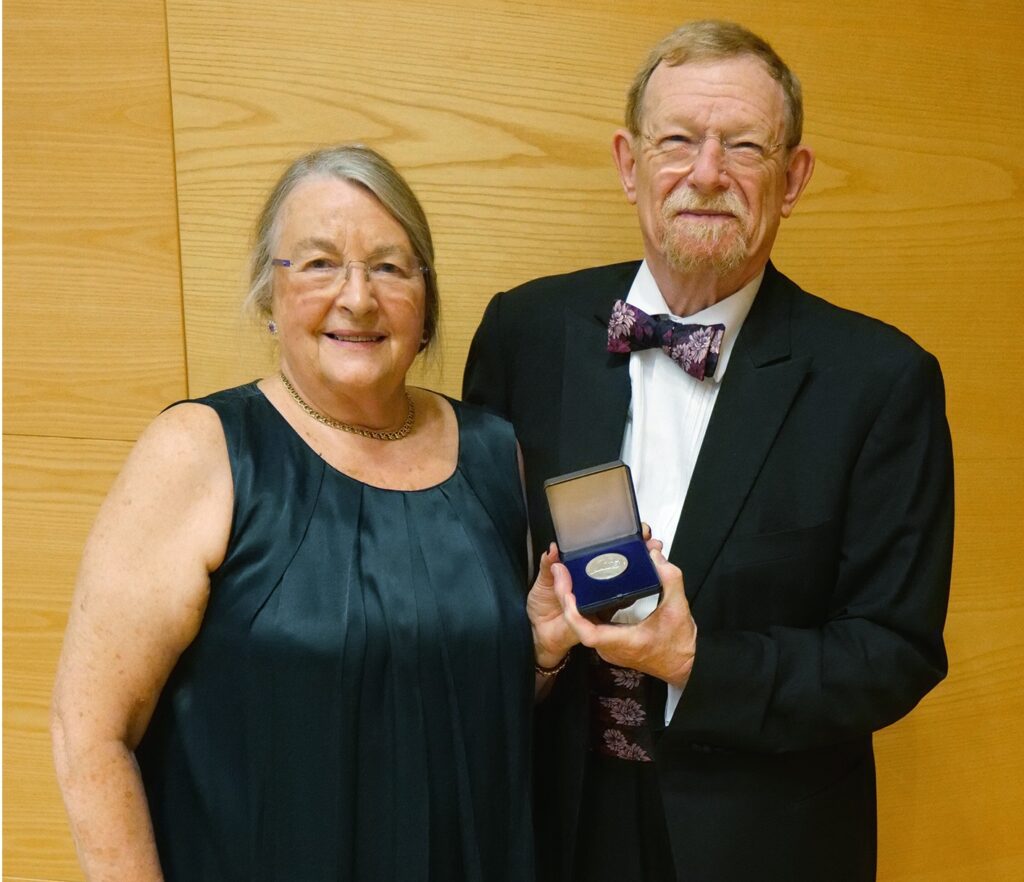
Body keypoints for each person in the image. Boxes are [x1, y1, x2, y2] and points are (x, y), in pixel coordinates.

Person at [464, 19, 954, 882]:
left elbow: (893, 651)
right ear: (629, 164)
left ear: (792, 179)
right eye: (678, 141)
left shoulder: (880, 380)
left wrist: (694, 662)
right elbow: (468, 584)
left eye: (745, 146)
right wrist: (534, 650)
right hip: (549, 826)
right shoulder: (523, 332)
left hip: (763, 844)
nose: (707, 173)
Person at [51, 144, 537, 881]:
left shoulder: (497, 455)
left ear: (426, 300)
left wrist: (545, 655)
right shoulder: (200, 451)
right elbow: (88, 734)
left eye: (389, 267)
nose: (358, 297)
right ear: (268, 296)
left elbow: (470, 710)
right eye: (318, 264)